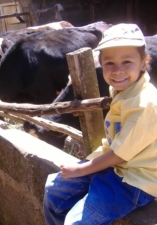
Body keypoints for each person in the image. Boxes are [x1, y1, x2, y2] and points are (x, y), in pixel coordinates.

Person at [43, 23, 157, 224]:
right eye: (109, 63)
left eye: (127, 61)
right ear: (101, 64)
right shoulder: (123, 91)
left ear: (144, 62)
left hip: (136, 180)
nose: (117, 70)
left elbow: (122, 154)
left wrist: (79, 169)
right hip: (116, 165)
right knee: (54, 190)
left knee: (75, 222)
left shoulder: (145, 103)